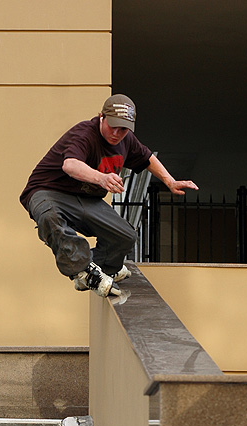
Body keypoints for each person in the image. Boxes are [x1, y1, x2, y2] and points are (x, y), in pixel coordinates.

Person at [20, 94, 198, 297]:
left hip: (85, 198)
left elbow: (147, 157)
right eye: (112, 126)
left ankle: (102, 267)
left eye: (122, 129)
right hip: (47, 191)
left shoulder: (127, 140)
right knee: (50, 217)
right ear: (101, 117)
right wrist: (101, 178)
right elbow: (70, 165)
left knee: (125, 236)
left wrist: (170, 181)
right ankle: (84, 271)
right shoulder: (85, 134)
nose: (115, 133)